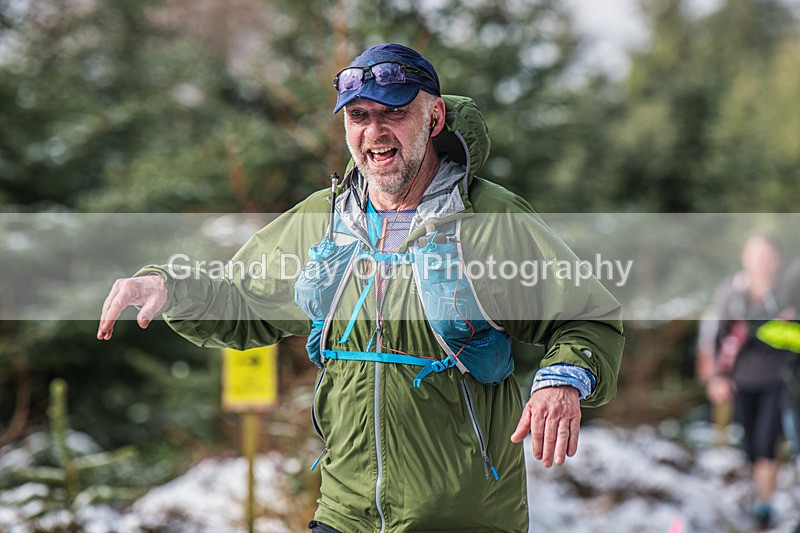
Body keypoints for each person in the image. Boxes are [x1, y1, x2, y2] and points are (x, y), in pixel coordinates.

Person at [97, 43, 624, 532]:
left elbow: (588, 316)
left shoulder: (490, 219)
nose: (374, 132)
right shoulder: (325, 221)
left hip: (461, 515)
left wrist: (563, 379)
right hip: (344, 511)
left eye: (394, 112)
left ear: (433, 117)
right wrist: (170, 287)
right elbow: (243, 299)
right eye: (359, 116)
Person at [699, 234, 794, 529]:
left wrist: (767, 330)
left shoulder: (787, 293)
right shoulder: (732, 292)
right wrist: (717, 377)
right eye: (756, 255)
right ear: (745, 258)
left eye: (767, 256)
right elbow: (715, 335)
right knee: (751, 444)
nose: (761, 262)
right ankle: (757, 497)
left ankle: (765, 504)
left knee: (767, 442)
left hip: (779, 379)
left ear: (777, 259)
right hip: (741, 381)